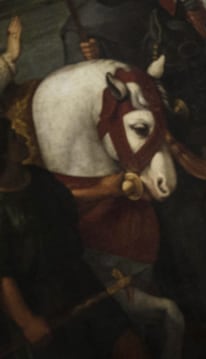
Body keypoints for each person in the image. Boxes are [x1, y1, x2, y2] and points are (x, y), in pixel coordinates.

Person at [0, 117, 149, 358]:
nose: (23, 138)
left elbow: (67, 199)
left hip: (80, 281)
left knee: (131, 347)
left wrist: (106, 190)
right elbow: (2, 276)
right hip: (44, 303)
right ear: (4, 155)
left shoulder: (37, 177)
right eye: (14, 138)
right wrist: (27, 321)